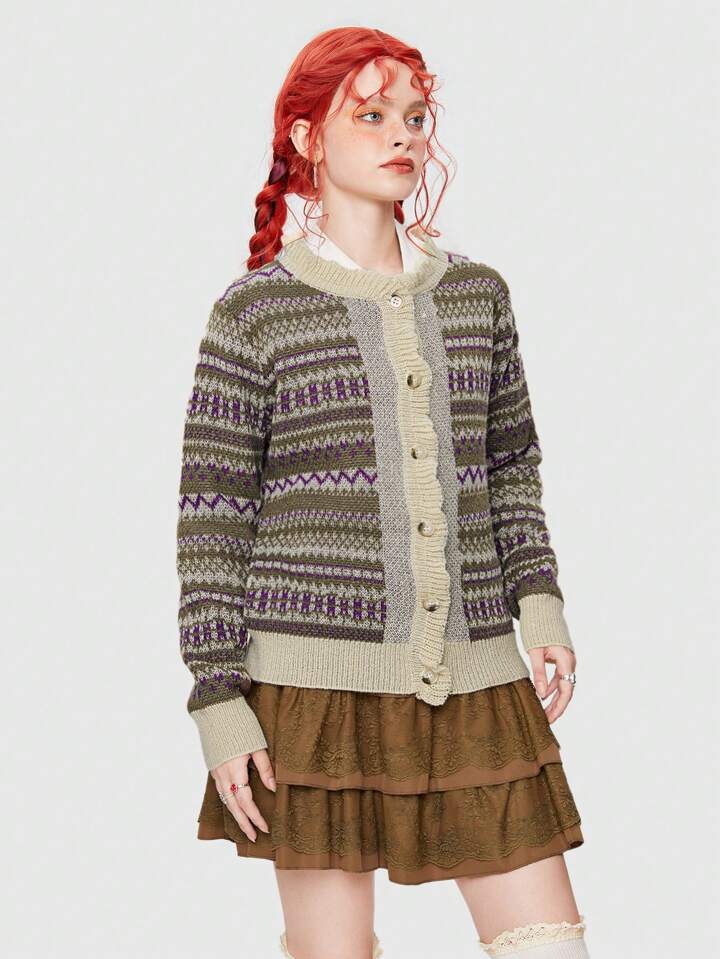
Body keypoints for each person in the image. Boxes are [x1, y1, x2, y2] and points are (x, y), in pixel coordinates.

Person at [175, 25, 590, 959]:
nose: (402, 134)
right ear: (306, 138)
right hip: (309, 694)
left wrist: (540, 603)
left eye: (414, 116)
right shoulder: (255, 312)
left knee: (549, 944)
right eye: (370, 115)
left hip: (477, 673)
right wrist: (218, 699)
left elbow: (510, 467)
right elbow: (213, 518)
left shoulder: (477, 294)